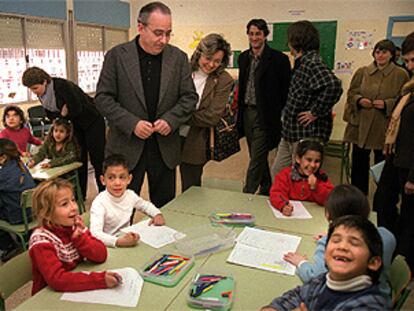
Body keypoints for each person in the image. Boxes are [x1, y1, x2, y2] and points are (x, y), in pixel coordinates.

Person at [95, 1, 197, 208]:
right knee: (120, 210)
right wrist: (132, 123)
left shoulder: (178, 58)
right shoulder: (116, 56)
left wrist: (171, 120)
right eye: (158, 33)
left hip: (164, 147)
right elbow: (103, 98)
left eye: (168, 33)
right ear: (140, 27)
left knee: (164, 207)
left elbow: (189, 97)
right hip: (126, 146)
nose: (164, 40)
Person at [284, 184, 396, 302]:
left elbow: (314, 276)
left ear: (329, 216)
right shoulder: (387, 236)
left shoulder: (327, 245)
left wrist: (301, 263)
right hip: (382, 298)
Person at [261, 216, 388, 311]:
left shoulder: (369, 305)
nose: (342, 246)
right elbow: (298, 295)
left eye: (354, 243)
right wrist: (274, 308)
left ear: (373, 262)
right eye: (336, 240)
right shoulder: (324, 280)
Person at [271, 20, 343, 177]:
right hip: (291, 132)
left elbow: (333, 86)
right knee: (278, 173)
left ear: (296, 40)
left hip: (305, 133)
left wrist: (315, 112)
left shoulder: (312, 62)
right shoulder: (302, 62)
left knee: (300, 178)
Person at [22, 66, 106, 198]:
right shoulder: (43, 94)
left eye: (35, 88)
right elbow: (52, 116)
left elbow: (76, 108)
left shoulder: (62, 86)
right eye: (31, 89)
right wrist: (63, 113)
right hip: (76, 124)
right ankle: (80, 195)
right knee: (79, 159)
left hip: (92, 121)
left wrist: (63, 114)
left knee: (97, 159)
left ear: (44, 82)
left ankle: (104, 193)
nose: (34, 92)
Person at [29, 178, 121, 295]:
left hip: (75, 286)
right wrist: (99, 280)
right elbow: (58, 280)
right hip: (49, 297)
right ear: (46, 213)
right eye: (64, 204)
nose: (74, 207)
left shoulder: (72, 226)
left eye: (73, 200)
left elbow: (101, 255)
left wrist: (82, 239)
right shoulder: (41, 241)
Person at [343, 39, 409, 194]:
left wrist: (387, 104)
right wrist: (359, 100)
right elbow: (351, 93)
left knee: (383, 164)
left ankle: (383, 197)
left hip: (384, 126)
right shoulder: (363, 71)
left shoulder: (401, 74)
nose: (380, 55)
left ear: (391, 54)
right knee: (359, 163)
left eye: (384, 52)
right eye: (377, 52)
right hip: (362, 125)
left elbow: (404, 99)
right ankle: (358, 194)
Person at [374, 31, 414, 273]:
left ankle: (404, 263)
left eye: (413, 60)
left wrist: (413, 177)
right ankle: (389, 246)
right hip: (397, 157)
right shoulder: (410, 86)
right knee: (382, 201)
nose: (409, 66)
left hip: (410, 165)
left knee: (410, 217)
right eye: (407, 60)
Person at [236, 19, 291, 195]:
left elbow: (286, 89)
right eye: (251, 34)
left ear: (265, 35)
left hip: (266, 115)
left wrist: (278, 113)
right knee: (256, 156)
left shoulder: (279, 59)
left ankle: (248, 192)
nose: (254, 38)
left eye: (258, 34)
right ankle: (267, 187)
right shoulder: (244, 57)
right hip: (247, 112)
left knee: (256, 158)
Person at [180, 33, 234, 192]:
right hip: (168, 135)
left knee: (191, 188)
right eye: (208, 58)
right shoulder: (183, 70)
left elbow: (211, 116)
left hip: (195, 140)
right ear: (199, 53)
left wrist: (177, 117)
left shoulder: (224, 80)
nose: (211, 64)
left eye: (217, 61)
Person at [90, 154, 165, 248]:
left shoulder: (130, 195)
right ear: (103, 180)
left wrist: (157, 214)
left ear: (129, 179)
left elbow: (145, 205)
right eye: (111, 178)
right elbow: (95, 233)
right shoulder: (99, 202)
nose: (117, 183)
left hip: (126, 240)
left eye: (122, 177)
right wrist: (118, 241)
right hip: (109, 245)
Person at [269, 140, 334, 216]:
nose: (313, 165)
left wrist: (316, 188)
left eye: (317, 161)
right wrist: (283, 205)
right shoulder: (286, 174)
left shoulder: (321, 177)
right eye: (309, 160)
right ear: (298, 159)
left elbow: (331, 199)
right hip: (290, 217)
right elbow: (276, 193)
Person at [0, 138, 35, 260]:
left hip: (19, 218)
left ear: (3, 158)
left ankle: (8, 246)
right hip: (32, 213)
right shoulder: (21, 166)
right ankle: (28, 236)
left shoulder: (3, 175)